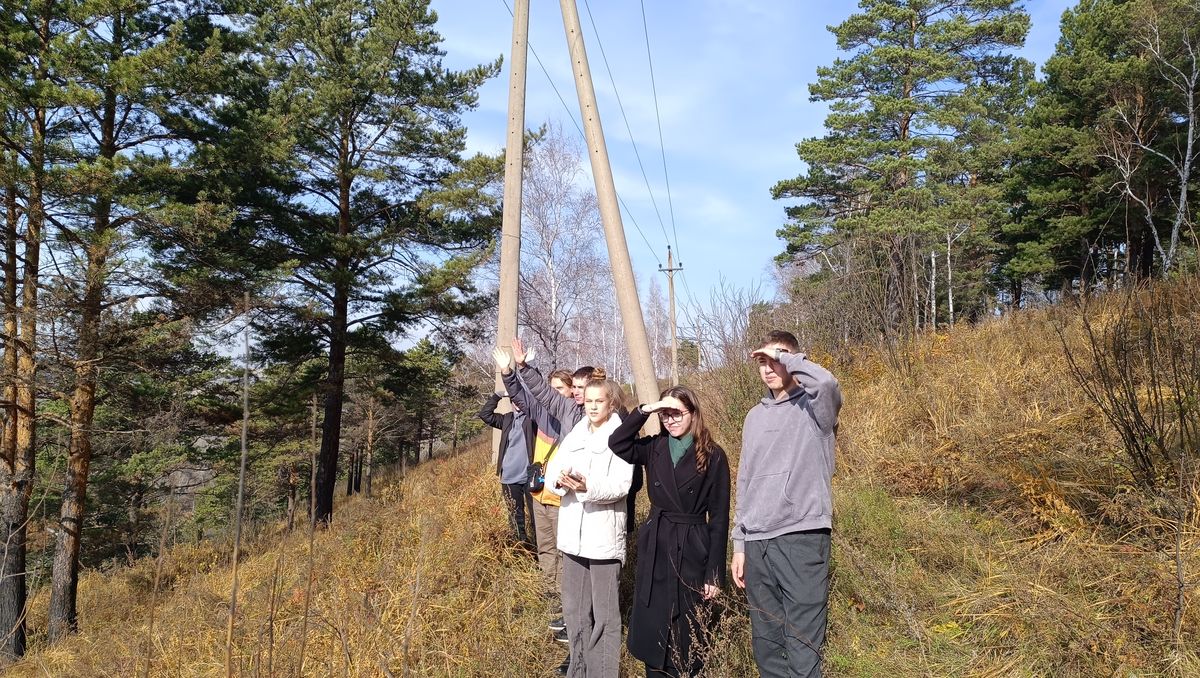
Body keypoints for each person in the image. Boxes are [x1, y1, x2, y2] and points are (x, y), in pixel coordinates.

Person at [731, 330, 842, 678]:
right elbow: (745, 481)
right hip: (758, 541)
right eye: (762, 362)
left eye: (774, 360)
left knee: (802, 646)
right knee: (768, 646)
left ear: (794, 360)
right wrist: (739, 543)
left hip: (801, 538)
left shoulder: (814, 409)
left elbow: (827, 384)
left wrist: (786, 358)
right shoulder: (754, 417)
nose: (768, 368)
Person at [608, 386, 730, 677]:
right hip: (657, 545)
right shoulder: (655, 447)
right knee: (654, 623)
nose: (671, 420)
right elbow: (618, 443)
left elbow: (720, 517)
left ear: (693, 413)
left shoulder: (713, 455)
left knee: (685, 629)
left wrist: (714, 572)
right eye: (665, 414)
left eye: (677, 413)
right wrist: (644, 410)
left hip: (692, 547)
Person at [545, 368, 632, 678]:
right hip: (572, 538)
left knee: (606, 617)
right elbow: (554, 469)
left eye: (600, 401)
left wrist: (586, 487)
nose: (593, 406)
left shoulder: (620, 435)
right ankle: (578, 671)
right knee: (575, 613)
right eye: (589, 401)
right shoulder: (577, 432)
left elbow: (622, 485)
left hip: (603, 539)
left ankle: (603, 673)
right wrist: (562, 481)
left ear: (611, 403)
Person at [494, 350, 575, 674]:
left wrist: (524, 368)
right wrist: (508, 372)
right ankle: (552, 597)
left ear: (571, 392)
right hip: (539, 495)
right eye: (551, 386)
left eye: (561, 388)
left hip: (561, 500)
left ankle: (568, 606)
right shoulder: (539, 418)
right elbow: (522, 394)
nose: (554, 392)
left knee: (564, 552)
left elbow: (537, 390)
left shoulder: (569, 421)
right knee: (545, 549)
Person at [476, 388, 536, 546]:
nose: (517, 404)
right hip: (509, 476)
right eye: (514, 400)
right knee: (516, 517)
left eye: (520, 400)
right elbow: (485, 415)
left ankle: (539, 549)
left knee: (536, 516)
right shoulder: (507, 419)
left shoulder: (533, 420)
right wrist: (497, 396)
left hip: (530, 477)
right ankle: (522, 548)